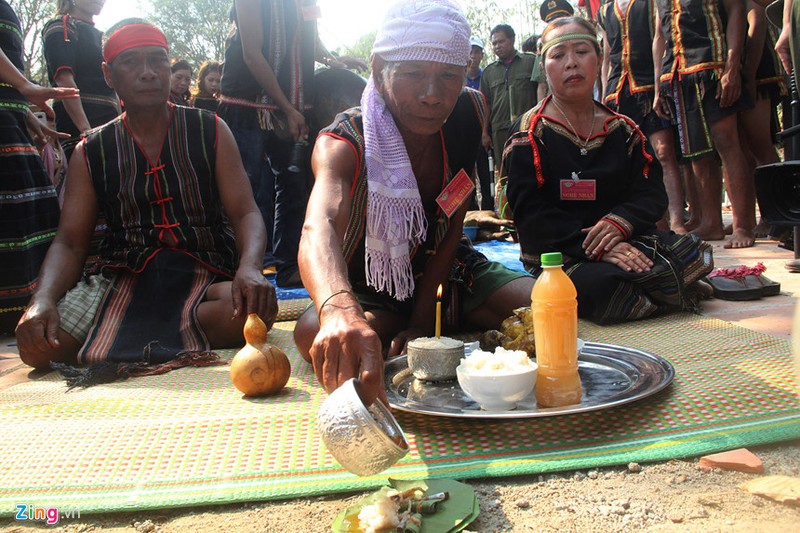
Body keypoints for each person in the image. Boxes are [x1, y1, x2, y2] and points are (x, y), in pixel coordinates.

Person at [293, 0, 535, 406]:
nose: (431, 95)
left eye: (448, 76)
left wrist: (424, 317)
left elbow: (455, 212)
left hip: (445, 268)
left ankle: (418, 324)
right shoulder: (344, 140)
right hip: (371, 284)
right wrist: (339, 310)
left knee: (544, 306)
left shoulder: (468, 111)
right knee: (313, 332)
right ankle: (402, 323)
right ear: (377, 69)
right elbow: (319, 227)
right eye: (412, 74)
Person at [15, 19, 277, 369]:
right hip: (124, 278)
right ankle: (162, 332)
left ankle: (130, 335)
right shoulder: (91, 150)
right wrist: (42, 298)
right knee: (40, 345)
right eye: (131, 62)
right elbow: (70, 243)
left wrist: (249, 268)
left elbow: (245, 212)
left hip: (203, 270)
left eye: (158, 60)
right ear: (108, 75)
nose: (149, 73)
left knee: (253, 312)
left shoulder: (210, 128)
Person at [504, 16, 713, 325]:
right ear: (544, 66)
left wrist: (619, 226)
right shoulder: (529, 133)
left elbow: (651, 194)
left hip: (626, 243)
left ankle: (655, 291)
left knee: (694, 250)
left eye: (581, 52)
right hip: (562, 254)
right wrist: (595, 247)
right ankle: (667, 288)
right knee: (599, 287)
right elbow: (529, 212)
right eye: (558, 55)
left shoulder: (624, 129)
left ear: (599, 58)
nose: (571, 63)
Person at [218, 0, 365, 287]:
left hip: (291, 109)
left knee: (293, 187)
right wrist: (286, 107)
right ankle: (237, 271)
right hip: (247, 106)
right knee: (242, 191)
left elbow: (310, 42)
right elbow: (252, 55)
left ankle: (287, 267)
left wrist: (333, 61)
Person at [653, 0, 757, 249]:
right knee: (696, 151)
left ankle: (743, 225)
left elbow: (736, 12)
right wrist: (658, 86)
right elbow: (659, 35)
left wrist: (732, 65)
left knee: (726, 142)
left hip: (713, 64)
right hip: (677, 72)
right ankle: (711, 223)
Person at [0, 0, 77, 334]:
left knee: (34, 214)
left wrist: (27, 114)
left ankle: (25, 314)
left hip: (10, 117)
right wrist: (25, 86)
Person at [598, 0, 688, 233]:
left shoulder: (651, 2)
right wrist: (604, 93)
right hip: (618, 89)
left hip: (648, 84)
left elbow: (661, 39)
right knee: (624, 158)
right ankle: (647, 222)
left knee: (664, 152)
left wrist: (660, 86)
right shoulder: (605, 10)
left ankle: (676, 220)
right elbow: (608, 54)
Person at [42, 0, 121, 159]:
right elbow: (64, 78)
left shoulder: (101, 36)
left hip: (109, 119)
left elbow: (114, 86)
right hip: (81, 120)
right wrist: (86, 130)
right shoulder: (62, 26)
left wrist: (121, 122)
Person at [479, 23, 538, 164]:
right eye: (494, 43)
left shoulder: (530, 62)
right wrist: (484, 133)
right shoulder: (489, 72)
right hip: (500, 131)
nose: (497, 46)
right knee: (505, 171)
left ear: (512, 40)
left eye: (501, 41)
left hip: (526, 127)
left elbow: (540, 93)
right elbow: (486, 105)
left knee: (529, 166)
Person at [466, 35, 494, 211]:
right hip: (464, 134)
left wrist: (485, 133)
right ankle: (470, 212)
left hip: (483, 135)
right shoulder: (458, 78)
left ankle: (488, 211)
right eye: (470, 52)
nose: (473, 56)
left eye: (477, 52)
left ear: (482, 55)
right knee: (466, 176)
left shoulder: (486, 77)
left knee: (486, 175)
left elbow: (488, 105)